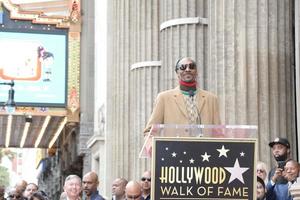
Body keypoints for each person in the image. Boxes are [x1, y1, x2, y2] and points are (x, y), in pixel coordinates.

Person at [144, 57, 221, 135]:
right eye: (183, 67)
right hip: (175, 146)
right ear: (177, 73)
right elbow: (150, 132)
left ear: (196, 71)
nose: (187, 69)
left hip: (204, 147)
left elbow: (218, 133)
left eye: (191, 66)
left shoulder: (211, 99)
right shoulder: (164, 98)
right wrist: (152, 144)